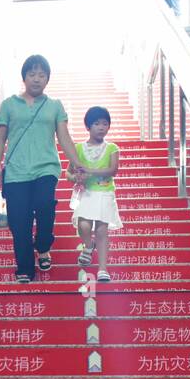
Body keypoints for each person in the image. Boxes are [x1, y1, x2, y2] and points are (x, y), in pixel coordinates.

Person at [0, 55, 80, 284]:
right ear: (24, 77)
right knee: (19, 221)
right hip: (15, 171)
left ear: (47, 79)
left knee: (44, 206)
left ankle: (42, 247)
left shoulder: (54, 106)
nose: (37, 79)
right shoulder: (9, 105)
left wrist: (77, 162)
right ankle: (24, 267)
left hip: (46, 168)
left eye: (42, 75)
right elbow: (0, 138)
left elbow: (64, 137)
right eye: (32, 74)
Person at [70, 107, 122, 283]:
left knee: (101, 230)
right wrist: (76, 176)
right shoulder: (77, 148)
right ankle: (88, 245)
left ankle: (102, 269)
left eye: (105, 123)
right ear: (88, 127)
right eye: (96, 123)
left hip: (105, 193)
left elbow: (113, 170)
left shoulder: (112, 148)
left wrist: (89, 171)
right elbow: (68, 173)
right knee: (83, 225)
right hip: (85, 193)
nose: (101, 127)